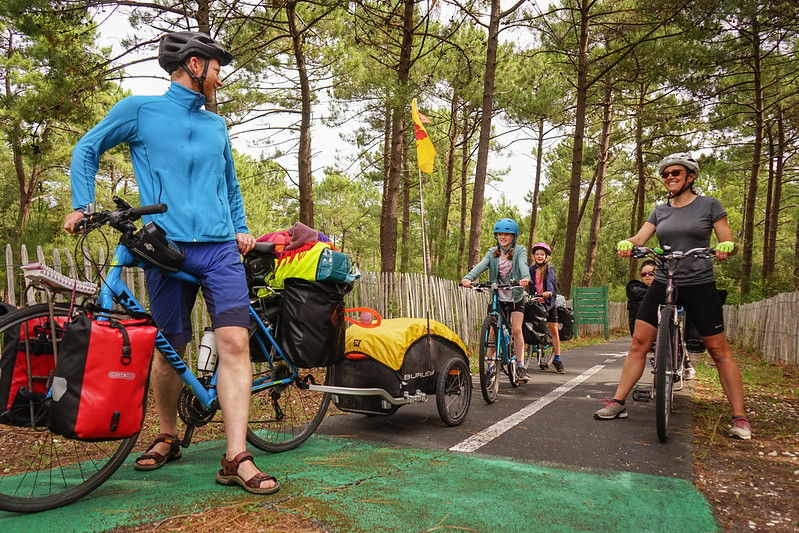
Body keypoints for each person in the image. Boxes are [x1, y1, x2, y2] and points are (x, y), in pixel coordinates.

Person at [64, 31, 280, 493]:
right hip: (166, 247)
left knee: (235, 343)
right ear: (195, 64)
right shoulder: (140, 110)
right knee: (167, 348)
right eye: (216, 66)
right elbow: (87, 147)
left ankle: (236, 455)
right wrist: (83, 204)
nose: (220, 76)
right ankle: (167, 435)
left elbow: (230, 184)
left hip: (220, 246)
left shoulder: (215, 126)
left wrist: (241, 226)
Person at [593, 152, 750, 440]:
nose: (669, 178)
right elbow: (641, 238)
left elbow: (726, 237)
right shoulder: (660, 211)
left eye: (676, 173)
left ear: (690, 177)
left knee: (718, 351)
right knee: (639, 342)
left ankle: (739, 417)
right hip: (665, 279)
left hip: (699, 281)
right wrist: (627, 244)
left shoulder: (710, 205)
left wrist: (726, 246)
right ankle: (618, 402)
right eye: (665, 174)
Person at [461, 218, 532, 382]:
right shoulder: (492, 253)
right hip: (498, 297)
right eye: (500, 234)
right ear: (496, 236)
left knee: (516, 329)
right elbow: (480, 266)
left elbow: (522, 265)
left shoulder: (519, 251)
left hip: (515, 295)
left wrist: (525, 278)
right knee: (491, 333)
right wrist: (468, 278)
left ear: (513, 236)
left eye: (507, 234)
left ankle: (520, 366)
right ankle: (490, 369)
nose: (503, 237)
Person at [627, 259, 696, 380]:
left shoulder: (668, 287)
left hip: (668, 320)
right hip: (650, 327)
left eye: (651, 273)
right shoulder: (638, 291)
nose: (647, 276)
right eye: (644, 274)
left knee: (678, 331)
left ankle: (687, 362)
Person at [529, 242, 564, 373]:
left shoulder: (549, 268)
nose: (539, 256)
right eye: (537, 254)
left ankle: (558, 359)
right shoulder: (531, 270)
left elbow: (550, 281)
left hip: (549, 303)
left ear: (547, 257)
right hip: (536, 302)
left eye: (542, 254)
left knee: (553, 329)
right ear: (533, 256)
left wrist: (548, 291)